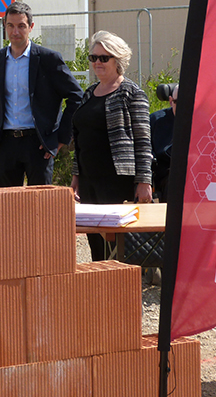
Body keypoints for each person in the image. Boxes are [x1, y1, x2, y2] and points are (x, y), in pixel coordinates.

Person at [71, 30, 153, 262]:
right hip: (88, 181)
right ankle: (100, 287)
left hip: (117, 181)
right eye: (93, 57)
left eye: (103, 58)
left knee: (117, 243)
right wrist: (76, 177)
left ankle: (121, 288)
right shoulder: (88, 94)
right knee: (95, 239)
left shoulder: (132, 93)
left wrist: (144, 180)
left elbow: (143, 140)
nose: (97, 62)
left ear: (118, 60)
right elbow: (80, 138)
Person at [0, 1, 83, 186]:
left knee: (40, 207)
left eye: (21, 26)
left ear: (31, 27)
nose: (15, 32)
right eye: (10, 26)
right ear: (4, 26)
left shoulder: (48, 59)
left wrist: (60, 139)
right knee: (7, 206)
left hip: (39, 144)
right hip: (6, 143)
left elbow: (76, 96)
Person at [149, 83, 177, 203]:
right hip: (166, 173)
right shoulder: (156, 120)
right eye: (179, 102)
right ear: (171, 101)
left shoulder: (203, 119)